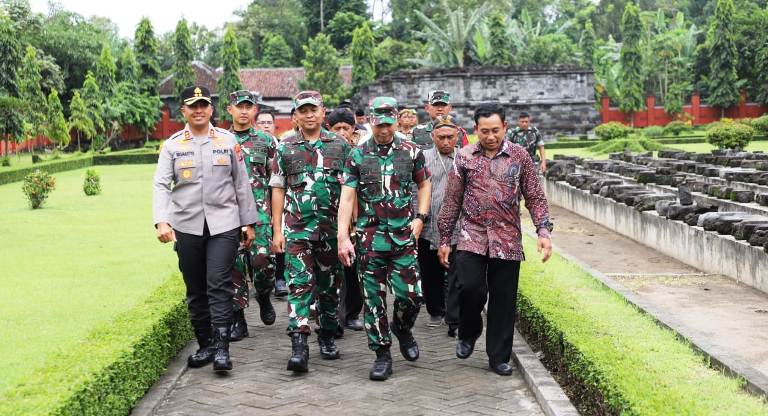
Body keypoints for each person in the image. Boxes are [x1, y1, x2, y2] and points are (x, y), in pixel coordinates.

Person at [437, 103, 553, 376]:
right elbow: (452, 200)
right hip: (471, 236)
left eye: (496, 131)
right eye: (484, 131)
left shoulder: (520, 156)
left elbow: (535, 197)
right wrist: (444, 239)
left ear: (505, 128)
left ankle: (498, 357)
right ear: (476, 130)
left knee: (503, 300)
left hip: (507, 238)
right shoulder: (464, 157)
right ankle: (469, 330)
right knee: (469, 288)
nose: (490, 137)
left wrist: (543, 232)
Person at [153, 85, 258, 372]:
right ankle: (206, 345)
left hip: (224, 224)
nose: (198, 110)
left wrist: (248, 222)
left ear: (211, 109)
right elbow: (162, 185)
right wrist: (162, 221)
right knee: (195, 289)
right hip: (187, 225)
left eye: (204, 105)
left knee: (218, 284)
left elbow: (241, 183)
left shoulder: (227, 141)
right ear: (183, 111)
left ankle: (223, 350)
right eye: (192, 106)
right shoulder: (173, 145)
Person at [337, 96, 432, 381]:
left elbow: (424, 183)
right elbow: (347, 196)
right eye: (379, 125)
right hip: (370, 239)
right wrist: (343, 236)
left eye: (389, 124)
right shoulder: (357, 155)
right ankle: (381, 354)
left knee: (412, 296)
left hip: (403, 238)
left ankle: (402, 328)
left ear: (394, 121)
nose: (384, 130)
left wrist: (421, 217)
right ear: (370, 122)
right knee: (374, 301)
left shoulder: (412, 151)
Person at [270, 91, 351, 373]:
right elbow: (278, 188)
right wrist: (276, 229)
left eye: (313, 110)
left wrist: (349, 230)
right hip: (297, 230)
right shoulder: (285, 146)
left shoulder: (340, 145)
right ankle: (299, 344)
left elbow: (351, 190)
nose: (308, 115)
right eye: (302, 110)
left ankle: (327, 335)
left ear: (322, 112)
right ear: (295, 115)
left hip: (331, 231)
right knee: (299, 285)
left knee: (330, 287)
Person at [225, 90, 277, 342]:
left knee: (263, 263)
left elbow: (276, 181)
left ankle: (264, 295)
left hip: (261, 215)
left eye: (249, 106)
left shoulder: (266, 142)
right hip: (228, 215)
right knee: (232, 267)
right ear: (230, 110)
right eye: (239, 106)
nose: (244, 111)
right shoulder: (221, 140)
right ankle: (239, 319)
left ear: (255, 110)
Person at [417, 115, 460, 332]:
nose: (445, 142)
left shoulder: (464, 158)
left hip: (458, 227)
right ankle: (435, 311)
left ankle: (454, 315)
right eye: (441, 137)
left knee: (456, 273)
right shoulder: (422, 157)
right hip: (428, 225)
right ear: (433, 136)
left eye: (449, 137)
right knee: (430, 271)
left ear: (457, 136)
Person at [326, 107, 365, 331]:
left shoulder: (360, 154)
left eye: (346, 128)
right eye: (336, 128)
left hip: (356, 219)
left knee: (353, 270)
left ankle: (351, 313)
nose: (341, 132)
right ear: (329, 129)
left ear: (353, 130)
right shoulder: (323, 152)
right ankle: (333, 318)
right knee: (331, 270)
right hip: (328, 219)